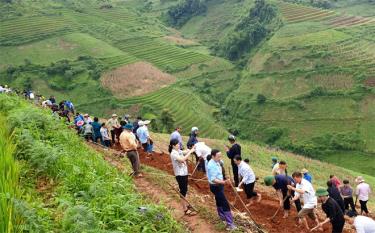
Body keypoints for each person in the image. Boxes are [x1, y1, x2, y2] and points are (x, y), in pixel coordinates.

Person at [207, 149, 236, 231]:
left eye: (220, 156)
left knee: (219, 200)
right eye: (218, 156)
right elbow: (213, 179)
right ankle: (230, 224)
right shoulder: (211, 165)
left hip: (219, 185)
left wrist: (224, 177)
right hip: (216, 186)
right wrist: (224, 182)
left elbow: (219, 172)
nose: (220, 158)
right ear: (213, 156)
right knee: (225, 203)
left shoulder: (216, 162)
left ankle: (222, 216)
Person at [169, 139, 196, 216]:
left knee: (185, 190)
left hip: (184, 174)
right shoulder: (173, 153)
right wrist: (191, 152)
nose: (179, 145)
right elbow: (182, 159)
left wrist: (191, 149)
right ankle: (185, 209)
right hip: (180, 175)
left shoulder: (178, 151)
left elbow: (185, 151)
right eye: (177, 144)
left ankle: (187, 204)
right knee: (183, 191)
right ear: (173, 146)